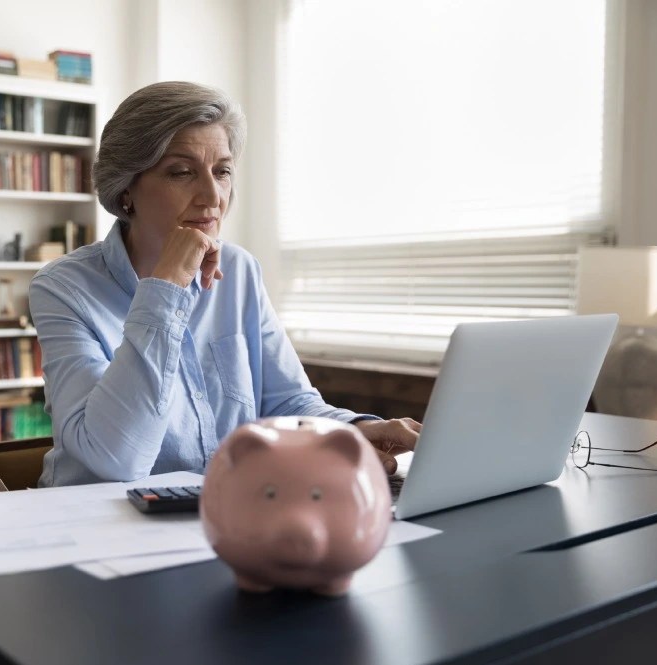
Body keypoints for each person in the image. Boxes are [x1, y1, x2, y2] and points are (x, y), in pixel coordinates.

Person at [30, 81, 420, 487]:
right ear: (127, 188)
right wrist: (168, 286)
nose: (212, 196)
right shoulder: (63, 288)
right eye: (181, 172)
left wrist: (350, 427)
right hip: (98, 525)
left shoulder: (239, 270)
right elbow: (117, 459)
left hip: (226, 514)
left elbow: (285, 401)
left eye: (223, 171)